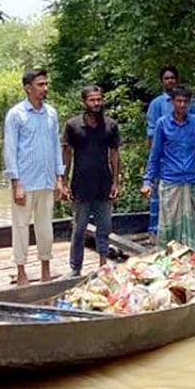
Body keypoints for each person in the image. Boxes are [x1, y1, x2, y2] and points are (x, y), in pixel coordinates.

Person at [4, 68, 66, 286]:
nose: (45, 89)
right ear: (28, 88)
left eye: (46, 84)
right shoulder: (16, 114)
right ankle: (21, 271)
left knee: (45, 227)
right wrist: (16, 183)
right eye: (40, 85)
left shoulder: (51, 113)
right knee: (21, 227)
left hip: (47, 180)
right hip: (25, 182)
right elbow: (10, 149)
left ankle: (45, 270)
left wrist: (60, 177)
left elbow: (55, 146)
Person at [145, 65, 195, 238]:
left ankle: (188, 258)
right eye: (178, 101)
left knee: (189, 224)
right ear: (172, 102)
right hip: (168, 174)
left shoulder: (194, 121)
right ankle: (162, 249)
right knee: (167, 220)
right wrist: (148, 179)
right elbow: (154, 149)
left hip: (189, 179)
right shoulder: (160, 115)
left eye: (185, 102)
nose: (182, 104)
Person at [62, 85, 121, 277]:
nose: (96, 103)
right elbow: (67, 154)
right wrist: (63, 181)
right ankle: (75, 268)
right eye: (92, 100)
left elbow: (114, 154)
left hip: (103, 184)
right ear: (84, 102)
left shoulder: (110, 125)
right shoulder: (73, 125)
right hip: (81, 185)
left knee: (104, 228)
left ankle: (103, 265)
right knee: (79, 229)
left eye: (99, 100)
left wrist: (115, 182)